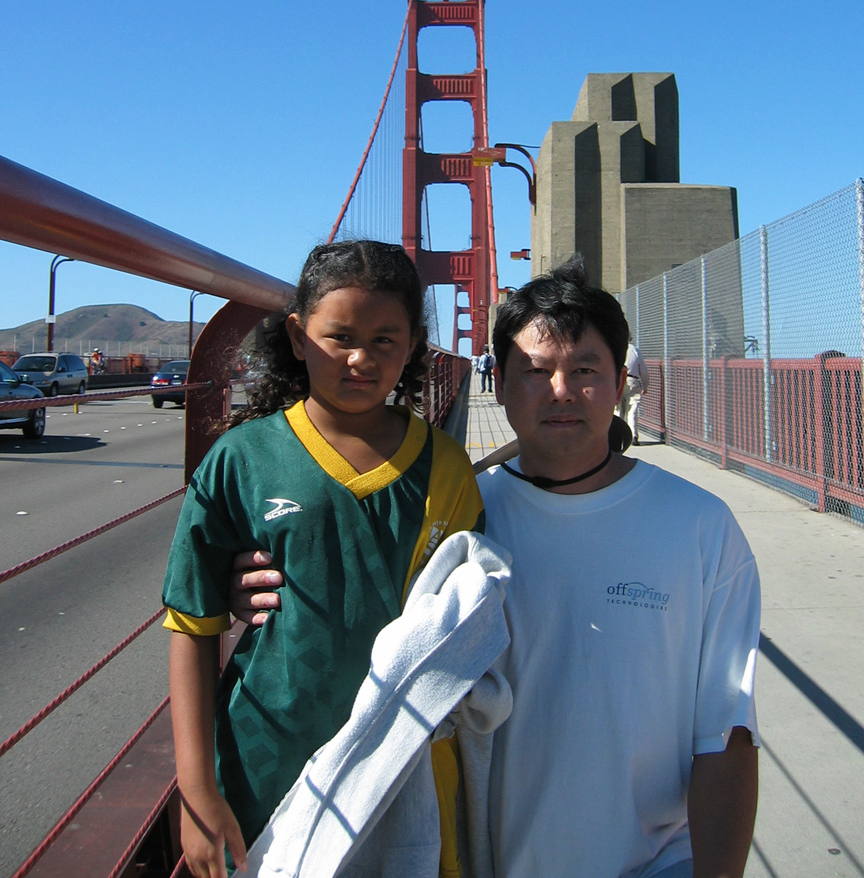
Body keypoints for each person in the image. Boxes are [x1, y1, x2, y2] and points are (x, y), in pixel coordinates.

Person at [232, 256, 760, 878]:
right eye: (534, 372)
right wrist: (268, 583)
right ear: (499, 384)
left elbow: (725, 732)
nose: (561, 392)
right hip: (477, 859)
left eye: (585, 370)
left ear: (620, 385)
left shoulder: (701, 526)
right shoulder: (455, 513)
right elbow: (358, 612)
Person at [163, 240, 484, 878]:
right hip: (265, 764)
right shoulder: (242, 459)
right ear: (298, 336)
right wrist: (198, 791)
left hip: (406, 765)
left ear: (416, 343)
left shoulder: (447, 468)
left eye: (386, 340)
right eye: (339, 337)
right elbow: (190, 625)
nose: (361, 359)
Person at [618, 336, 649, 444]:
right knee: (633, 408)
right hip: (633, 379)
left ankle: (617, 434)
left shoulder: (615, 349)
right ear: (630, 338)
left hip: (617, 379)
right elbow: (643, 371)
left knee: (618, 409)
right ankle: (633, 436)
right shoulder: (635, 350)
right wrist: (645, 386)